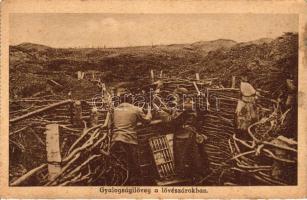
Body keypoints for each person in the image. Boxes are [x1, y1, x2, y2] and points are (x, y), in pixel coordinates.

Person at [157, 87, 209, 183]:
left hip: (183, 134)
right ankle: (199, 176)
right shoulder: (189, 103)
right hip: (191, 132)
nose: (174, 97)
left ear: (180, 95)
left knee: (180, 155)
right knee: (193, 154)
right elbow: (178, 113)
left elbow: (172, 120)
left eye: (175, 95)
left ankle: (182, 178)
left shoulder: (183, 106)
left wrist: (161, 112)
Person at [109, 84, 152, 185]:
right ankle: (136, 184)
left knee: (119, 164)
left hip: (115, 140)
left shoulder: (115, 110)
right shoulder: (135, 109)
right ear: (130, 100)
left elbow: (110, 124)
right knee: (134, 164)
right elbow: (147, 121)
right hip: (129, 140)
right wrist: (149, 111)